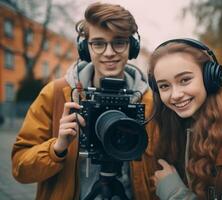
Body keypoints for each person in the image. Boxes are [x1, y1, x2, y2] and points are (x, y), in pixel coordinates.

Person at [11, 2, 158, 200]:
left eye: (119, 42)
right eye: (98, 43)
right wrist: (57, 148)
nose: (109, 52)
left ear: (132, 46)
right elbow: (20, 169)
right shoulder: (56, 94)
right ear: (84, 48)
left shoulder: (151, 102)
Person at [148, 38, 222, 199]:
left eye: (185, 80)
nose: (175, 95)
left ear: (210, 78)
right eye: (164, 86)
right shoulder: (174, 125)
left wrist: (174, 192)